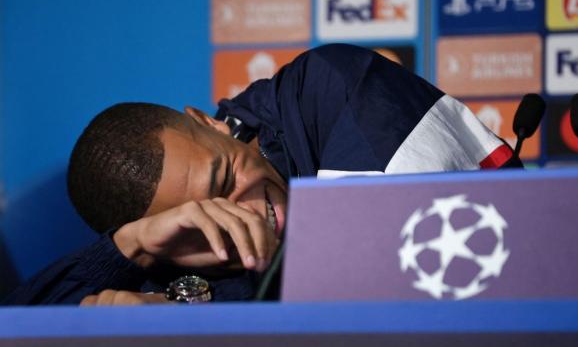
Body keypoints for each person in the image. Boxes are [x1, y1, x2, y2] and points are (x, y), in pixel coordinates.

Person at [2, 44, 519, 306]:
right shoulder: (159, 247)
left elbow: (384, 281)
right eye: (200, 226)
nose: (243, 214)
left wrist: (186, 310)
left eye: (224, 179)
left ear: (210, 123)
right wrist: (128, 249)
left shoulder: (330, 88)